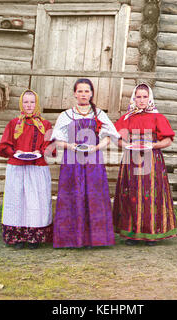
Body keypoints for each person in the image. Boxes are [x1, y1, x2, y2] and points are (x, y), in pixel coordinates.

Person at [51, 78, 120, 248]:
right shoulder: (66, 115)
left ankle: (94, 239)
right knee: (72, 195)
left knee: (93, 196)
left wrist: (96, 147)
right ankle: (71, 239)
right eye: (80, 91)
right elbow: (57, 140)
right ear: (75, 94)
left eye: (86, 91)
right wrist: (70, 145)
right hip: (72, 161)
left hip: (93, 161)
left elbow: (109, 138)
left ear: (91, 93)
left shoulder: (99, 114)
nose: (83, 94)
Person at [113, 83, 177, 246]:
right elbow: (117, 139)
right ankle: (132, 233)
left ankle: (152, 233)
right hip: (131, 160)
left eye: (145, 96)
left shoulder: (158, 117)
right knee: (131, 193)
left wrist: (153, 145)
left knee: (151, 194)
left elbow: (168, 140)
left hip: (152, 160)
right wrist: (126, 145)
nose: (141, 100)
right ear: (134, 98)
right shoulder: (127, 118)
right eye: (138, 97)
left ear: (150, 98)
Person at [0, 89, 55, 249]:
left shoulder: (45, 124)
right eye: (26, 102)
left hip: (37, 168)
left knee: (36, 201)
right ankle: (17, 237)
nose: (29, 105)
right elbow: (5, 145)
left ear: (37, 104)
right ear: (21, 104)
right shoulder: (14, 123)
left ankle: (34, 237)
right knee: (17, 200)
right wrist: (15, 152)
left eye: (32, 102)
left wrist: (40, 151)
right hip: (17, 168)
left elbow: (49, 145)